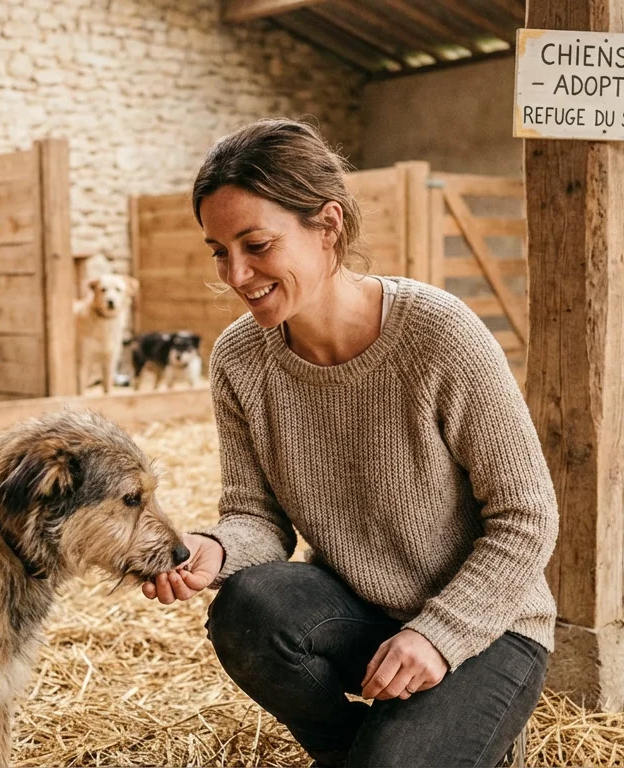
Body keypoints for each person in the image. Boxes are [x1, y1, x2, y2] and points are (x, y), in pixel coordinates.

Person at [141, 118, 559, 768]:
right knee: (247, 610)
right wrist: (215, 549)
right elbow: (257, 519)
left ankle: (455, 731)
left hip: (488, 624)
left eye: (256, 244)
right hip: (359, 613)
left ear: (328, 225)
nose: (236, 273)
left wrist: (440, 636)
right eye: (219, 251)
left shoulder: (440, 335)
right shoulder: (239, 359)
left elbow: (527, 518)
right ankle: (362, 750)